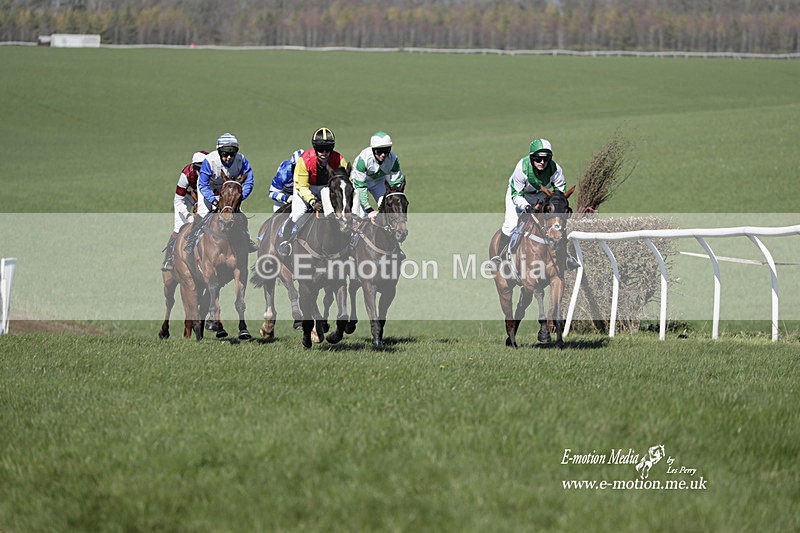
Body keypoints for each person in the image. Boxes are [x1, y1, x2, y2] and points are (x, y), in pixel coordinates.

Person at [492, 138, 577, 268]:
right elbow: (516, 195)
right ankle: (499, 258)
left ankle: (564, 257)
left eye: (546, 159)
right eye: (538, 159)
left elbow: (559, 194)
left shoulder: (556, 169)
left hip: (542, 195)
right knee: (510, 225)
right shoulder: (521, 168)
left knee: (557, 223)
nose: (542, 162)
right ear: (532, 158)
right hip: (520, 195)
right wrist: (527, 207)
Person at [277, 127, 349, 257]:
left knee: (333, 213)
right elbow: (301, 185)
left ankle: (346, 242)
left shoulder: (339, 159)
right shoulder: (305, 160)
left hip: (326, 188)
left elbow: (345, 180)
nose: (324, 152)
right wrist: (312, 200)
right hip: (305, 187)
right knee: (298, 214)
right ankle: (285, 241)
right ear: (315, 148)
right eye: (320, 149)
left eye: (327, 149)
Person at [185, 133, 257, 253]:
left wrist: (240, 196)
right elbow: (203, 184)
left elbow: (249, 180)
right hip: (209, 187)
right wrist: (213, 200)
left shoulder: (242, 160)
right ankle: (192, 239)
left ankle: (246, 238)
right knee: (203, 213)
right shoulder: (210, 161)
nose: (228, 157)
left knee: (240, 215)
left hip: (229, 189)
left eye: (231, 154)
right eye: (225, 154)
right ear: (219, 152)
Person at [161, 150, 207, 271]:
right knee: (179, 227)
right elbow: (178, 200)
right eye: (197, 167)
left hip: (205, 197)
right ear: (193, 166)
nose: (200, 171)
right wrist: (187, 215)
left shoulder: (213, 171)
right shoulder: (186, 174)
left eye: (203, 167)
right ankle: (168, 259)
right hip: (186, 199)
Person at [350, 131, 405, 220]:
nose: (383, 155)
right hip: (359, 184)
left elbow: (396, 183)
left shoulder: (393, 159)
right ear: (373, 150)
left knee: (387, 210)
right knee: (361, 215)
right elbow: (360, 187)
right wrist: (369, 209)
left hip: (379, 181)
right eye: (379, 151)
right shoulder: (363, 160)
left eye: (386, 151)